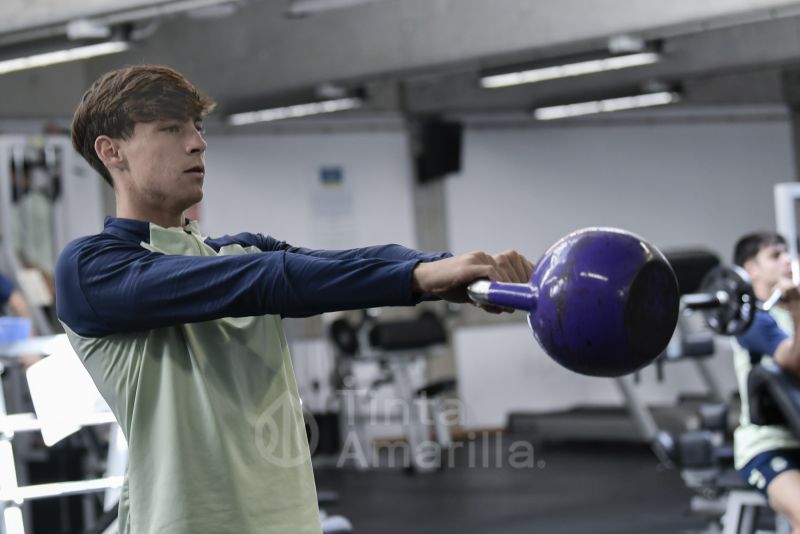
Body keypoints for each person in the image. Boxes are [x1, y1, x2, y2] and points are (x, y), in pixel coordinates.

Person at [56, 64, 533, 534]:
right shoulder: (93, 269)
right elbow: (266, 280)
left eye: (198, 128)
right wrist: (420, 275)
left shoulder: (238, 252)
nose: (198, 142)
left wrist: (450, 269)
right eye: (171, 128)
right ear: (111, 151)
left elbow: (335, 264)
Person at [733, 231, 800, 533]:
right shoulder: (750, 318)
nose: (787, 259)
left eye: (787, 252)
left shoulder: (791, 311)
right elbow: (793, 362)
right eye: (775, 255)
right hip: (769, 445)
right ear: (751, 269)